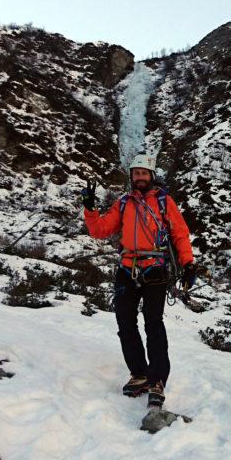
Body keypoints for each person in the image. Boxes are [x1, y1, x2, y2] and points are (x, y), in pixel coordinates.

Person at [81, 154, 197, 409]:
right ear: (131, 176)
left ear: (151, 176)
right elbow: (100, 230)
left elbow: (180, 234)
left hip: (155, 268)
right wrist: (90, 210)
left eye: (144, 173)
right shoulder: (123, 203)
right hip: (127, 268)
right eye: (137, 173)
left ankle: (156, 379)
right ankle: (139, 373)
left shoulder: (165, 202)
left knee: (153, 323)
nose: (140, 177)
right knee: (125, 322)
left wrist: (189, 263)